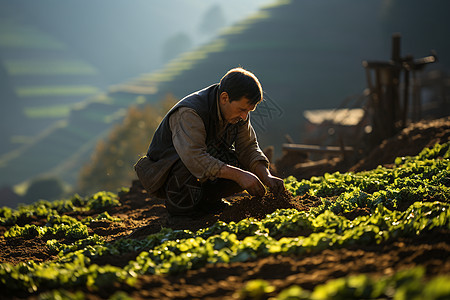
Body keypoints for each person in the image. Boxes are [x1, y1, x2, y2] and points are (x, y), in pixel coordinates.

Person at [134, 67, 285, 217]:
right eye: (242, 109)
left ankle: (209, 202)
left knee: (243, 163)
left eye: (248, 111)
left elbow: (248, 148)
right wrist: (240, 176)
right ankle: (182, 212)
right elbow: (195, 158)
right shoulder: (190, 112)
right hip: (169, 173)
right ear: (225, 98)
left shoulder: (239, 114)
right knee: (189, 167)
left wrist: (266, 176)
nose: (245, 117)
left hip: (203, 164)